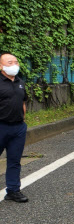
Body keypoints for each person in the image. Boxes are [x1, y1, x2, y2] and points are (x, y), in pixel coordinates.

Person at [0, 53, 29, 203]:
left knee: (14, 160)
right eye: (9, 62)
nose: (14, 65)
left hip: (18, 128)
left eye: (16, 62)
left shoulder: (20, 82)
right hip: (1, 127)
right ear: (1, 66)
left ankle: (13, 190)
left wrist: (23, 120)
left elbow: (23, 102)